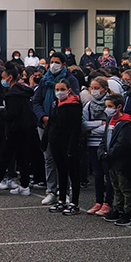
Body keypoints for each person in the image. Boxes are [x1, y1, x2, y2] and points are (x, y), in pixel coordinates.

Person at [0, 66, 36, 196]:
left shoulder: (12, 94)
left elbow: (12, 114)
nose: (2, 80)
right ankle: (24, 185)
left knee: (4, 157)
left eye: (3, 78)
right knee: (22, 158)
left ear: (10, 77)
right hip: (25, 129)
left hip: (14, 130)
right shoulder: (23, 91)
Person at [32, 52, 79, 205]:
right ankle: (51, 190)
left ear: (63, 64)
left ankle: (66, 191)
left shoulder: (71, 80)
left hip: (62, 127)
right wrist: (43, 117)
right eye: (51, 61)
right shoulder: (45, 80)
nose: (53, 64)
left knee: (65, 160)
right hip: (45, 124)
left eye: (56, 62)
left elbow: (74, 100)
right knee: (49, 158)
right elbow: (36, 101)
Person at [99, 94, 131, 226]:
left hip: (122, 162)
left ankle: (128, 212)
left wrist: (109, 153)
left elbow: (123, 144)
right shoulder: (110, 120)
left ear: (119, 107)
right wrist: (102, 152)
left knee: (125, 187)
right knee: (115, 186)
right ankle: (118, 208)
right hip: (111, 160)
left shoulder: (127, 124)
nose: (108, 109)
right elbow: (104, 139)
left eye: (110, 106)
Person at [43, 79, 83, 215]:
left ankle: (75, 203)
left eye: (62, 89)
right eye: (57, 89)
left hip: (68, 143)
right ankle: (61, 200)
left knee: (73, 172)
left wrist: (72, 147)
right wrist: (45, 140)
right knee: (61, 171)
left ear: (69, 90)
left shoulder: (74, 105)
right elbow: (51, 123)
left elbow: (75, 128)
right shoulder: (57, 104)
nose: (59, 92)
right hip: (55, 142)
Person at [82, 77, 113, 216]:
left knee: (108, 174)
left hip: (106, 143)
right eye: (92, 88)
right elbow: (83, 124)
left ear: (105, 89)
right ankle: (98, 201)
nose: (93, 91)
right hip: (92, 143)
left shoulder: (110, 104)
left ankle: (108, 202)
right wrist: (98, 124)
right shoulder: (88, 105)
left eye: (96, 88)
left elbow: (110, 125)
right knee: (97, 174)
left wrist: (98, 127)